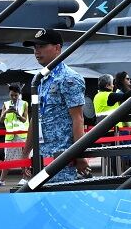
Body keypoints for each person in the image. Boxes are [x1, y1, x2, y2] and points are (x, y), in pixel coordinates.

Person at [29, 29, 88, 183]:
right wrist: (26, 153)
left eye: (42, 46)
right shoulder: (40, 79)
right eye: (35, 47)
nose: (37, 51)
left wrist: (79, 155)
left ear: (57, 48)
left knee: (61, 197)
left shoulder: (69, 78)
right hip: (41, 159)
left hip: (63, 161)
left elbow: (78, 119)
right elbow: (36, 117)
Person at [0, 85, 28, 185]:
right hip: (10, 135)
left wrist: (17, 114)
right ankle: (2, 180)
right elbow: (1, 120)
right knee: (7, 158)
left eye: (16, 95)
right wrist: (6, 111)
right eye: (12, 95)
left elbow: (24, 119)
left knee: (24, 156)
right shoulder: (5, 104)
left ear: (19, 94)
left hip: (22, 134)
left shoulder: (24, 104)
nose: (14, 97)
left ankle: (25, 178)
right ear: (9, 94)